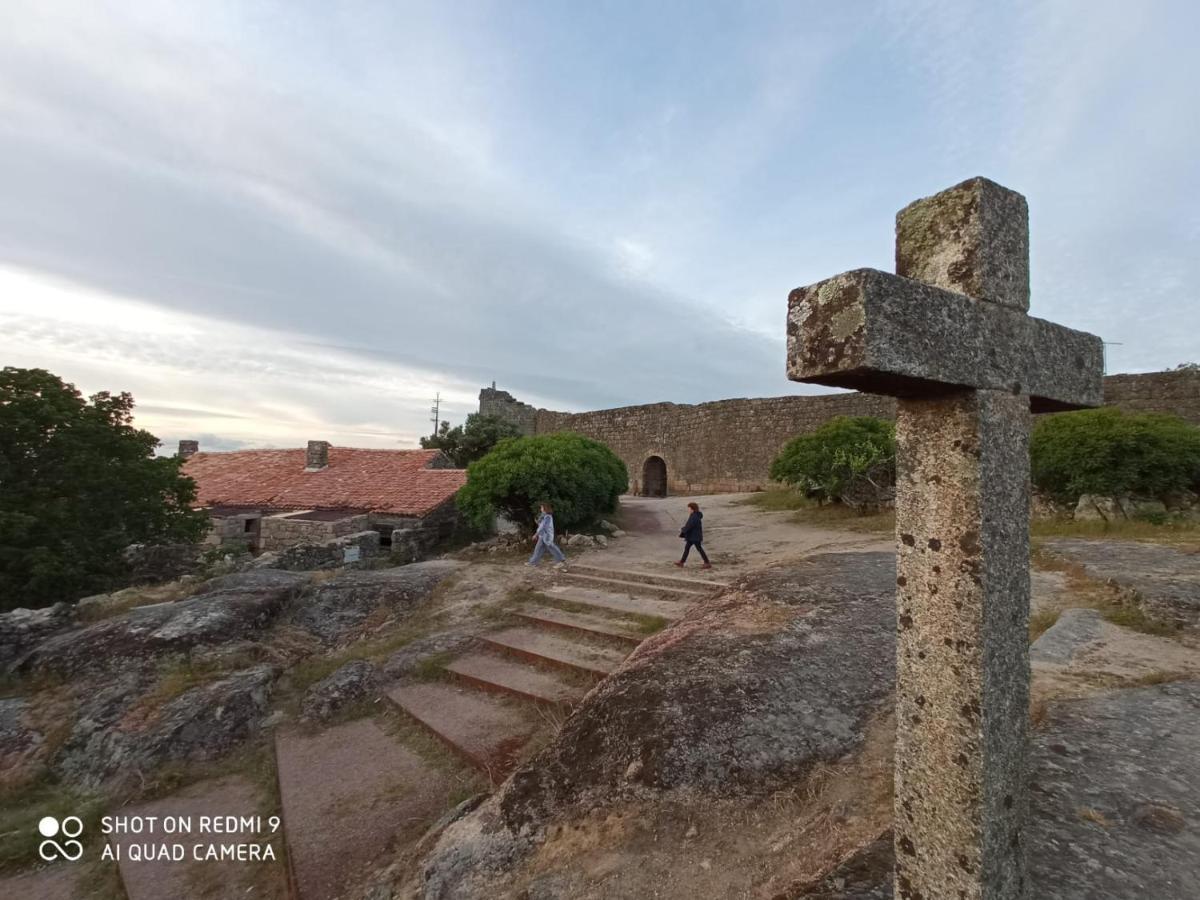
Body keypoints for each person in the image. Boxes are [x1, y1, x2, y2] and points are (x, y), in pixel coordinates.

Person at [527, 502, 568, 568]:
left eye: (541, 507)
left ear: (545, 508)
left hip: (547, 536)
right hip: (543, 536)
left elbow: (542, 527)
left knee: (553, 548)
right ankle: (533, 562)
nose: (540, 508)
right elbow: (541, 524)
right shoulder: (544, 515)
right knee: (538, 549)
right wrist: (537, 522)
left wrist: (536, 534)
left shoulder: (547, 517)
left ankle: (561, 561)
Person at [676, 501, 712, 569]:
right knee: (687, 548)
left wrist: (683, 529)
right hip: (692, 536)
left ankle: (707, 563)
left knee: (699, 549)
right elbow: (689, 525)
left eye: (689, 508)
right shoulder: (694, 515)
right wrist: (684, 529)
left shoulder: (694, 516)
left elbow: (690, 526)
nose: (688, 510)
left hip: (695, 537)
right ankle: (681, 562)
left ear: (692, 509)